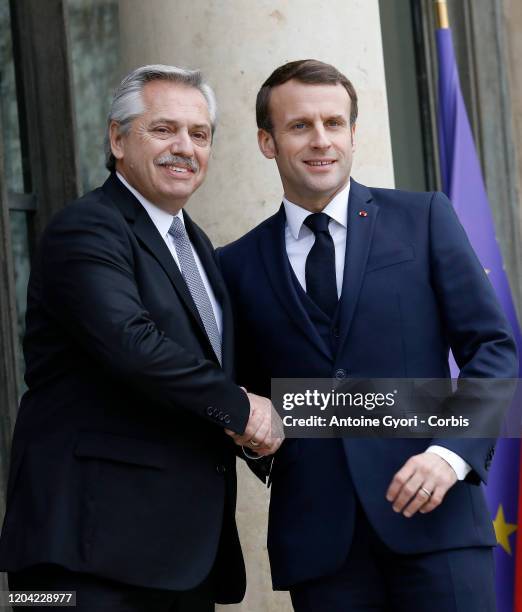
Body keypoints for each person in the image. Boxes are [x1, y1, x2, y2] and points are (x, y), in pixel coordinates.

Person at [218, 59, 518, 611]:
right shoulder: (233, 265)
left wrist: (451, 455)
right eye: (299, 126)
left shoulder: (424, 218)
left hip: (438, 525)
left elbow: (495, 350)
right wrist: (255, 437)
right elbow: (241, 394)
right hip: (321, 545)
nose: (320, 140)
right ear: (267, 141)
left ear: (354, 134)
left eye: (334, 123)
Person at [0, 64, 281, 611]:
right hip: (82, 560)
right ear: (117, 139)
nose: (185, 147)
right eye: (163, 129)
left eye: (199, 134)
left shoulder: (194, 244)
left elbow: (219, 368)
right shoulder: (88, 227)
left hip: (177, 557)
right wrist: (243, 411)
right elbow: (133, 345)